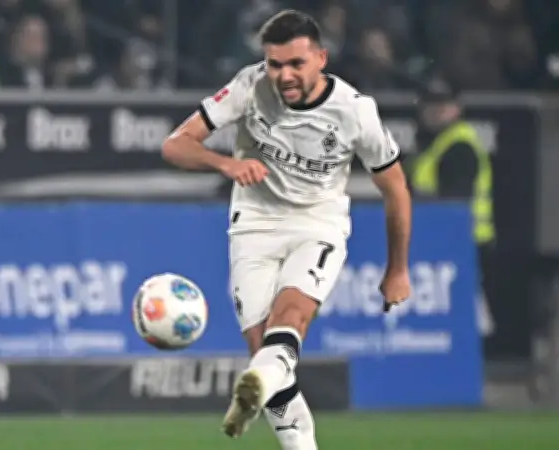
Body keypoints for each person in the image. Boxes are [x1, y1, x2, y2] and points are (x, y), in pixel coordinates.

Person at [161, 10, 412, 449]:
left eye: (297, 63)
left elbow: (396, 189)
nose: (285, 75)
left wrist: (398, 269)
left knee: (291, 317)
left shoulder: (355, 111)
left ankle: (255, 385)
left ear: (321, 59)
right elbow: (175, 144)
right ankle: (268, 394)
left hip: (318, 223)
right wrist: (226, 163)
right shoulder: (249, 86)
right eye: (275, 64)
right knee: (268, 354)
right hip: (254, 225)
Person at [409, 78, 496, 337]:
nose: (436, 111)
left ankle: (477, 358)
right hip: (445, 243)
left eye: (443, 105)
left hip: (465, 242)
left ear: (457, 108)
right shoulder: (434, 144)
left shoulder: (459, 146)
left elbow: (453, 201)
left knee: (465, 314)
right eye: (430, 104)